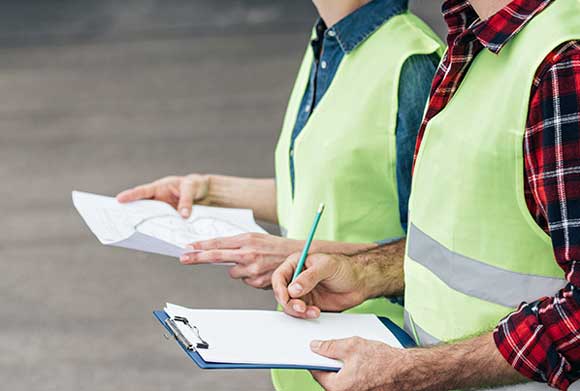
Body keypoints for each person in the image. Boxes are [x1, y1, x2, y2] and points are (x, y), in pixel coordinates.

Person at [117, 0, 441, 389]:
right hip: (307, 359)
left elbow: (438, 249)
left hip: (372, 364)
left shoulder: (412, 64)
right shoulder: (328, 43)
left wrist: (300, 253)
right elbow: (323, 191)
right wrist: (210, 190)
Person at [272, 0, 580, 389]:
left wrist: (412, 371)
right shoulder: (476, 43)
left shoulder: (564, 62)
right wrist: (366, 272)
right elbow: (462, 244)